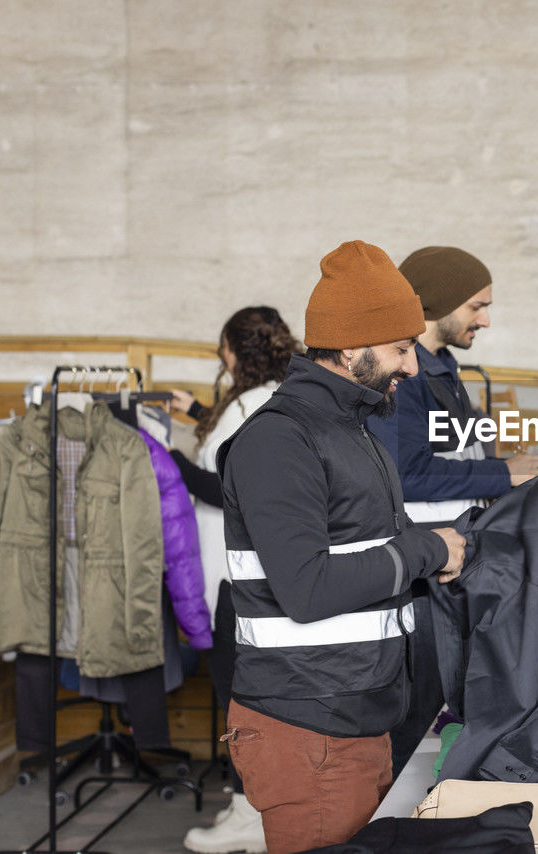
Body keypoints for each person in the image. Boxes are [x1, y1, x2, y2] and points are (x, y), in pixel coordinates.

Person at [217, 240, 467, 854]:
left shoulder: (354, 430)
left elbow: (372, 545)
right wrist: (427, 551)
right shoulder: (280, 440)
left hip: (357, 719)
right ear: (352, 346)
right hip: (309, 728)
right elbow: (307, 589)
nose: (411, 366)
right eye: (401, 348)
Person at [367, 245, 538, 775]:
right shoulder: (402, 381)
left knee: (450, 689)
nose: (486, 319)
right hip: (422, 569)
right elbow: (404, 476)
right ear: (438, 303)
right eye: (477, 305)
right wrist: (503, 474)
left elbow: (453, 451)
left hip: (456, 559)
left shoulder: (445, 368)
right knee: (419, 697)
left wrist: (509, 463)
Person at [167, 306, 300, 854]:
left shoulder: (254, 403)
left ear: (235, 352)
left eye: (222, 349)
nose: (219, 359)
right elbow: (234, 447)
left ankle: (253, 811)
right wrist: (196, 410)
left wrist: (173, 461)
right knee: (241, 695)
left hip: (235, 579)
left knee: (238, 698)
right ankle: (250, 802)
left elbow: (229, 487)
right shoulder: (270, 398)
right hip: (238, 576)